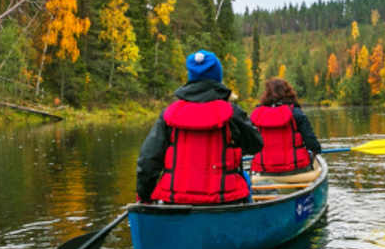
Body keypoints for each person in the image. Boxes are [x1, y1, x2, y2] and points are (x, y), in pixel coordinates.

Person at [136, 50, 263, 205]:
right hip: (226, 203)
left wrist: (144, 198)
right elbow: (256, 145)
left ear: (191, 78)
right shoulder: (232, 113)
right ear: (218, 78)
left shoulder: (169, 114)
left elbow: (148, 161)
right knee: (245, 181)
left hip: (176, 203)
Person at [251, 78, 321, 174]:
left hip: (266, 170)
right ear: (289, 93)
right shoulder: (296, 113)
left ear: (266, 94)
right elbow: (311, 143)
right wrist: (317, 151)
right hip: (296, 169)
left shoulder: (257, 115)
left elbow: (250, 145)